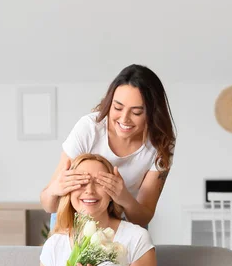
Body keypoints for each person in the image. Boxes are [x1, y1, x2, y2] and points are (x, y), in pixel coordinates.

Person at [40, 64, 176, 230]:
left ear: (153, 112)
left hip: (122, 221)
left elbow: (143, 217)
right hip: (74, 220)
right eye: (117, 107)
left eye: (136, 112)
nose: (124, 119)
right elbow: (48, 204)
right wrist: (56, 188)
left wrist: (123, 196)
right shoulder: (89, 128)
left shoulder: (160, 144)